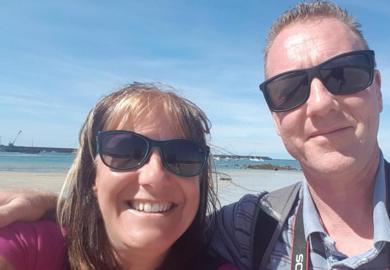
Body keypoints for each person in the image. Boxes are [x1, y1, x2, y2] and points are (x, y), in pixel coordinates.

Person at [1, 1, 390, 270]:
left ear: (376, 88)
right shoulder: (249, 228)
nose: (319, 104)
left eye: (344, 76)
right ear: (275, 115)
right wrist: (53, 205)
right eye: (290, 89)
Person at [0, 83, 237, 270]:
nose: (154, 176)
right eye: (125, 151)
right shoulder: (36, 248)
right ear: (92, 176)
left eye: (182, 155)